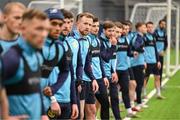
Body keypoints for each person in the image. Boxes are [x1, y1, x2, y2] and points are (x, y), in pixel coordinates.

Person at [1, 8, 50, 119]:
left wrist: (42, 114)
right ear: (23, 29)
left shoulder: (37, 56)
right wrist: (4, 117)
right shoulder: (12, 58)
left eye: (46, 30)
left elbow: (36, 89)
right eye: (39, 29)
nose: (43, 34)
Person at [41, 8, 78, 119]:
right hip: (40, 102)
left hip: (63, 99)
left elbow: (67, 71)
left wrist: (54, 89)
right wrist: (52, 98)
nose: (58, 28)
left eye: (60, 24)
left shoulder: (59, 46)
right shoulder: (36, 45)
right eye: (54, 24)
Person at [0, 2, 26, 119]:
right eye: (16, 18)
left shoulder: (27, 46)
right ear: (4, 17)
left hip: (21, 112)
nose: (20, 22)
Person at [72, 12, 99, 120]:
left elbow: (87, 62)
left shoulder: (88, 39)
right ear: (77, 23)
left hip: (87, 80)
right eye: (85, 24)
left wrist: (93, 78)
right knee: (78, 115)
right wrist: (77, 81)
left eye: (90, 25)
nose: (88, 27)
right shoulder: (70, 39)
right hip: (75, 81)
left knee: (92, 110)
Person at [100, 21, 121, 119]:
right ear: (104, 30)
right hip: (101, 76)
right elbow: (106, 58)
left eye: (113, 31)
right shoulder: (100, 41)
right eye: (109, 31)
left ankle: (118, 118)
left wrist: (113, 71)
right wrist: (113, 46)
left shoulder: (110, 40)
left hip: (110, 74)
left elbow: (111, 59)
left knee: (115, 98)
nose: (112, 33)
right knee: (102, 102)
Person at [116, 22, 138, 118]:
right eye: (122, 29)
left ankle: (129, 110)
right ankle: (114, 111)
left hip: (124, 69)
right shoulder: (114, 40)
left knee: (125, 90)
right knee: (114, 93)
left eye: (125, 29)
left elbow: (128, 52)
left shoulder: (126, 40)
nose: (124, 31)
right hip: (115, 70)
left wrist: (133, 54)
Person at [90, 17, 110, 119]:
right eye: (94, 26)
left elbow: (100, 60)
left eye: (97, 26)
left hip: (100, 78)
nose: (96, 28)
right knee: (89, 109)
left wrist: (104, 76)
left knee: (106, 103)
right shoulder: (86, 41)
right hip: (89, 79)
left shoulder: (98, 41)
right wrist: (92, 77)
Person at [143, 21, 165, 100]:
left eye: (151, 27)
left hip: (154, 61)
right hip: (147, 62)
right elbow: (142, 50)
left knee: (158, 77)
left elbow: (155, 50)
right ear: (146, 28)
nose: (150, 28)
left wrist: (158, 60)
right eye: (148, 27)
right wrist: (144, 61)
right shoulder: (144, 37)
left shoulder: (153, 36)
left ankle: (158, 93)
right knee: (145, 78)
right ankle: (144, 93)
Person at [131, 22, 148, 111]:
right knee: (139, 83)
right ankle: (138, 102)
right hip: (136, 63)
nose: (146, 28)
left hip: (139, 63)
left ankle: (138, 101)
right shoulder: (138, 37)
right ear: (139, 28)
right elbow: (136, 47)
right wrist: (142, 49)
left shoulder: (140, 36)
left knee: (138, 83)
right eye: (144, 27)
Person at [154, 19, 168, 87]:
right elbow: (153, 44)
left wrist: (163, 50)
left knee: (160, 70)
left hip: (161, 54)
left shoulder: (164, 33)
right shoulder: (155, 33)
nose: (163, 25)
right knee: (153, 71)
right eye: (162, 24)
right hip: (155, 55)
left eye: (164, 24)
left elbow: (166, 43)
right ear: (159, 24)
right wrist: (156, 51)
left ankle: (159, 85)